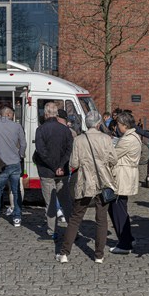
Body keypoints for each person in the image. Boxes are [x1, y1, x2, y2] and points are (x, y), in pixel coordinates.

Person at [56, 111, 117, 264]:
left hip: (84, 182)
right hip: (103, 182)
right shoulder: (106, 139)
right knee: (101, 219)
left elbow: (73, 164)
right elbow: (113, 160)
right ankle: (99, 255)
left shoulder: (79, 140)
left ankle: (64, 253)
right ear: (98, 124)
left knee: (76, 218)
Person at [34, 102, 74, 240]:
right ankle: (72, 229)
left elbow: (41, 151)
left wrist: (53, 166)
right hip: (62, 171)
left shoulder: (41, 130)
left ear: (45, 114)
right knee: (66, 202)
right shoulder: (65, 130)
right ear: (56, 114)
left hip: (47, 171)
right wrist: (60, 165)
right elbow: (69, 150)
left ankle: (52, 231)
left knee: (50, 203)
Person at [0, 107, 27, 228]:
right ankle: (17, 218)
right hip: (15, 162)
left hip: (0, 163)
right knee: (16, 190)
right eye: (12, 115)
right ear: (8, 114)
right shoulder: (17, 126)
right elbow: (23, 143)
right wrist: (21, 154)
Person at [109, 111, 142, 254]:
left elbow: (113, 156)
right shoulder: (133, 136)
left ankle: (124, 243)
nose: (117, 127)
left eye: (118, 124)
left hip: (123, 175)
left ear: (123, 125)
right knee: (120, 208)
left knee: (118, 210)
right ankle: (127, 238)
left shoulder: (127, 139)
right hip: (126, 174)